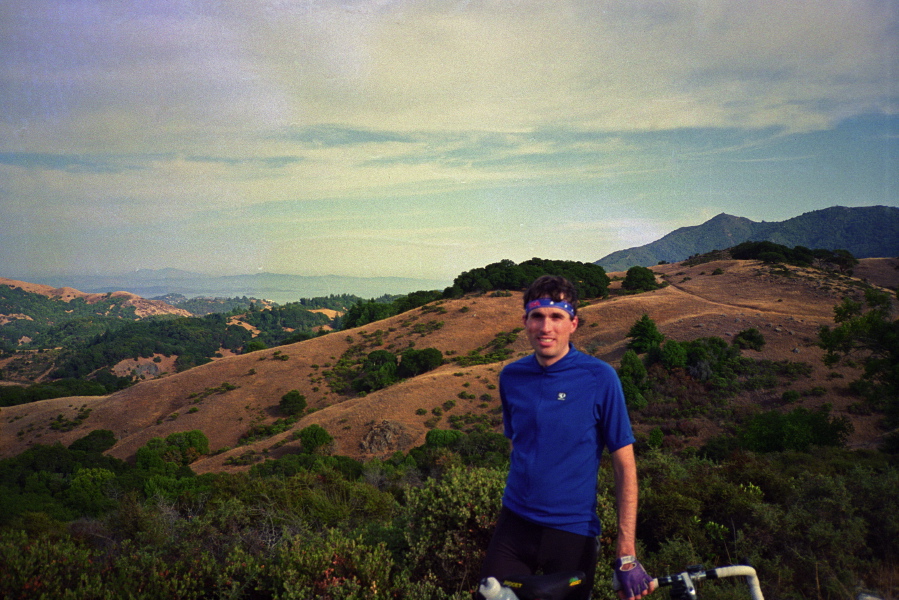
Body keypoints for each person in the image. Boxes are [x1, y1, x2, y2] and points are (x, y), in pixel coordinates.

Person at [477, 275, 655, 600]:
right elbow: (518, 442)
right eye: (537, 316)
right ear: (525, 322)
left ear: (573, 323)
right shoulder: (511, 377)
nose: (546, 327)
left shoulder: (600, 378)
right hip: (514, 526)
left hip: (572, 533)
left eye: (556, 317)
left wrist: (626, 552)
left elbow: (624, 467)